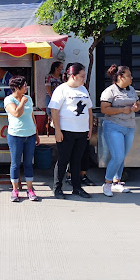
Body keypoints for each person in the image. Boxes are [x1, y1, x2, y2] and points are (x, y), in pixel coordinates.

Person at [49, 62, 93, 199]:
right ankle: (57, 188)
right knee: (63, 160)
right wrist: (57, 130)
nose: (83, 79)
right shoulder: (61, 90)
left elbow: (89, 110)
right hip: (66, 131)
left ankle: (77, 187)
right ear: (73, 76)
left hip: (82, 131)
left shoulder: (83, 89)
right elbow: (54, 110)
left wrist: (90, 128)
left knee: (77, 160)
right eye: (81, 76)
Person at [100, 64, 140, 197]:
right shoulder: (110, 91)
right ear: (120, 77)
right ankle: (107, 183)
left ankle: (117, 182)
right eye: (128, 75)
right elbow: (104, 109)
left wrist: (136, 107)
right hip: (113, 126)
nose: (131, 78)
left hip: (129, 126)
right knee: (118, 156)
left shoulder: (132, 90)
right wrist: (122, 110)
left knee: (122, 156)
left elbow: (138, 104)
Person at [4, 75, 41, 202]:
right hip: (15, 135)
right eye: (24, 85)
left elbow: (32, 116)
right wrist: (22, 102)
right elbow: (16, 114)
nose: (26, 87)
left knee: (28, 163)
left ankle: (30, 189)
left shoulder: (28, 98)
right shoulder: (9, 100)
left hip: (30, 135)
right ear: (17, 87)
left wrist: (36, 133)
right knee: (15, 164)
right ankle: (15, 190)